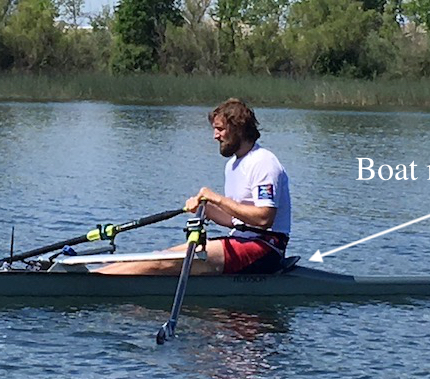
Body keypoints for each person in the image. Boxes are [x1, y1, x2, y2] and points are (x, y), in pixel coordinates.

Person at [96, 98, 292, 275]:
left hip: (266, 248)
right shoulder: (233, 165)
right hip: (241, 240)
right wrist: (205, 209)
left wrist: (217, 199)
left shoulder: (264, 162)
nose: (215, 136)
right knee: (158, 256)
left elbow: (264, 218)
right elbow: (235, 220)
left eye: (220, 129)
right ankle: (95, 276)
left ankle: (93, 283)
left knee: (162, 263)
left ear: (238, 129)